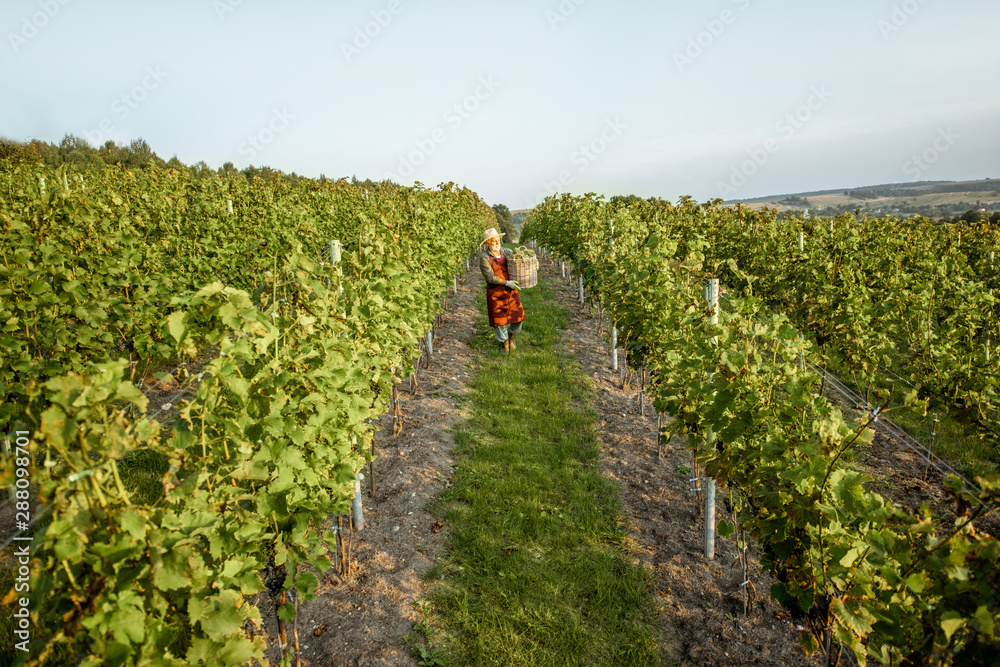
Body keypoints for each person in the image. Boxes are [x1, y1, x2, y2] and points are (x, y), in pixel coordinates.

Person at [479, 227, 525, 353]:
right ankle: (504, 343)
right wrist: (507, 283)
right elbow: (490, 277)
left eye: (498, 240)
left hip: (510, 290)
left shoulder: (506, 252)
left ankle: (511, 336)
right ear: (488, 243)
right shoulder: (485, 257)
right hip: (496, 291)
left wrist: (532, 261)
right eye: (493, 241)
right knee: (499, 320)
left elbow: (520, 257)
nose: (497, 243)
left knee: (518, 316)